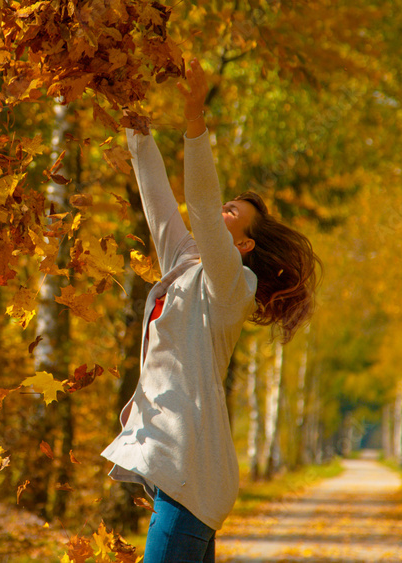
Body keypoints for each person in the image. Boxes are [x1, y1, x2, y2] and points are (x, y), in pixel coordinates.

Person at [101, 59, 320, 563]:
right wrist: (133, 116)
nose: (219, 215)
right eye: (227, 208)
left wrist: (195, 114)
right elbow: (157, 197)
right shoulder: (184, 262)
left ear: (242, 244)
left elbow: (200, 203)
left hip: (190, 482)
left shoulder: (231, 284)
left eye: (231, 215)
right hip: (179, 478)